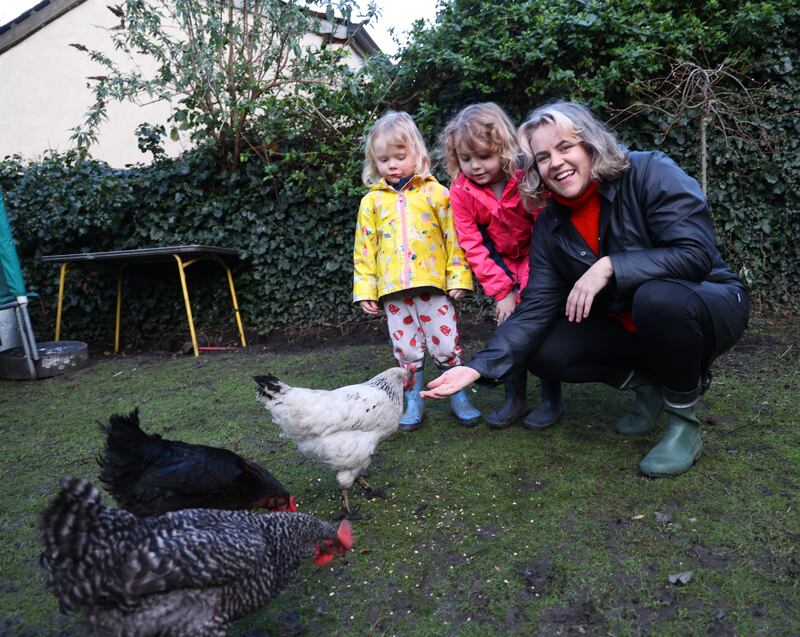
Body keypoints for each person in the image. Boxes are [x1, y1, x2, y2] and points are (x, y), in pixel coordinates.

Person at [421, 101, 749, 477]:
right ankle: (650, 386)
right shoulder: (549, 223)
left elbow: (696, 255)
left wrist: (609, 266)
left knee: (657, 299)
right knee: (542, 349)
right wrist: (477, 368)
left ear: (590, 144)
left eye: (565, 147)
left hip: (706, 301)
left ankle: (683, 424)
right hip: (630, 322)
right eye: (542, 157)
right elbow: (537, 306)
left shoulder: (649, 171)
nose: (555, 162)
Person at [353, 110, 481, 431]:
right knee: (406, 349)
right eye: (384, 159)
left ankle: (458, 394)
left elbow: (455, 238)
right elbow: (365, 249)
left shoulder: (437, 193)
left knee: (445, 343)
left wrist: (458, 278)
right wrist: (365, 291)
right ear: (375, 162)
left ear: (417, 154)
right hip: (394, 292)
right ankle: (414, 399)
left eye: (400, 155)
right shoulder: (372, 203)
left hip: (433, 287)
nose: (392, 164)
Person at [439, 102, 564, 430]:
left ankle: (551, 398)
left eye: (484, 157)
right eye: (466, 159)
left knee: (540, 324)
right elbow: (473, 244)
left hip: (540, 258)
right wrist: (502, 291)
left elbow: (545, 226)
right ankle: (516, 398)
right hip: (502, 267)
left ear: (503, 148)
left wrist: (532, 282)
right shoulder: (461, 192)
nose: (475, 166)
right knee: (508, 324)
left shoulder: (525, 175)